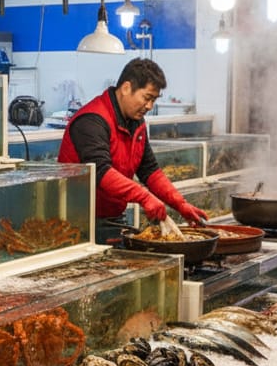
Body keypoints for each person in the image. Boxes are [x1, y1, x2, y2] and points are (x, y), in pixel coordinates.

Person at [58, 58, 207, 243]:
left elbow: (150, 170)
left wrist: (180, 204)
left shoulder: (135, 122)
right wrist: (144, 197)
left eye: (154, 100)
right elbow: (100, 172)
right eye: (147, 97)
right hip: (76, 224)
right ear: (126, 88)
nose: (150, 106)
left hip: (112, 219)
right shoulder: (91, 120)